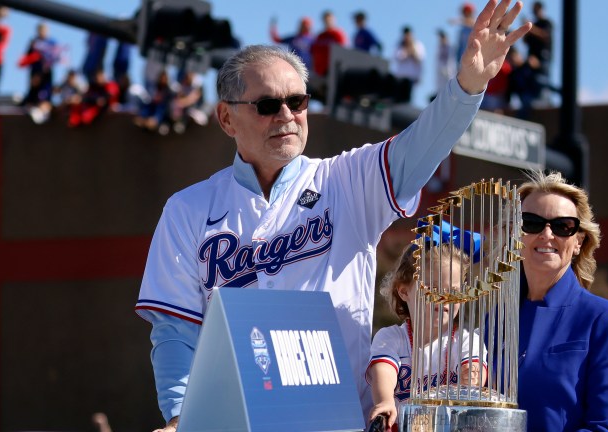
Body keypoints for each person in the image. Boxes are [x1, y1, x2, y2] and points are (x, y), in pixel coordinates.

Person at [134, 1, 532, 430]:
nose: (286, 115)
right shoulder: (187, 209)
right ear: (227, 117)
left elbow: (420, 148)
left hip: (337, 420)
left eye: (297, 100)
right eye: (267, 104)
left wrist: (467, 86)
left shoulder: (346, 178)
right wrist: (179, 417)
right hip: (235, 421)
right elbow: (176, 331)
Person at [485, 170, 608, 431]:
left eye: (562, 226)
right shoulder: (494, 321)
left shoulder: (606, 320)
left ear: (578, 241)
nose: (546, 234)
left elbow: (607, 427)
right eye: (530, 222)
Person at [367, 222, 486, 431]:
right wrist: (385, 401)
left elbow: (475, 374)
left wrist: (474, 377)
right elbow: (383, 370)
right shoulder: (391, 338)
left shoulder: (468, 340)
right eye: (431, 289)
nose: (443, 298)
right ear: (404, 291)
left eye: (453, 291)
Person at [522, 1, 553, 106]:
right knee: (532, 85)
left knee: (542, 83)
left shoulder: (546, 22)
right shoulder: (533, 25)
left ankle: (548, 103)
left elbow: (544, 35)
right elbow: (525, 41)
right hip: (532, 61)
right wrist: (525, 29)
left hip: (543, 59)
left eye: (536, 10)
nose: (534, 12)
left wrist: (530, 28)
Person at [310, 10, 348, 78]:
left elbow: (343, 50)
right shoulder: (320, 36)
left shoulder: (338, 34)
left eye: (329, 20)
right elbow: (314, 53)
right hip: (320, 70)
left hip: (334, 68)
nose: (327, 22)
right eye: (326, 20)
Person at [391, 26, 425, 101]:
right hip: (400, 77)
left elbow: (420, 59)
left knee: (407, 99)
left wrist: (412, 50)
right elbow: (397, 57)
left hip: (411, 78)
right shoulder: (399, 45)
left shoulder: (418, 45)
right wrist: (407, 50)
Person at [433, 29, 456, 102]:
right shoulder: (439, 47)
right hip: (440, 73)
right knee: (440, 90)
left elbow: (451, 62)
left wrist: (448, 71)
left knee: (448, 90)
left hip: (449, 73)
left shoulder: (450, 47)